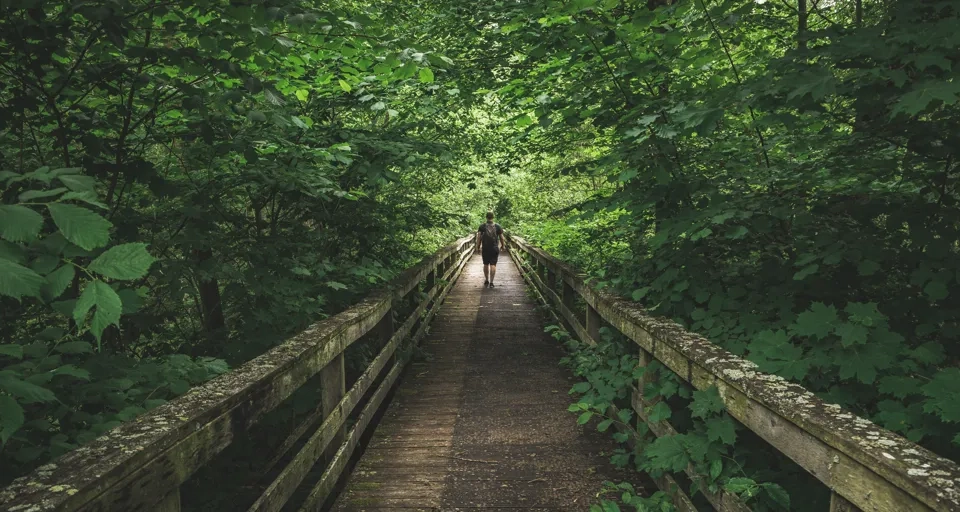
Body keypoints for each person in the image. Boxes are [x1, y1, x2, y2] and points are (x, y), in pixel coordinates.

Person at [476, 211, 507, 287]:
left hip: (485, 248)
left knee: (486, 264)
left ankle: (486, 280)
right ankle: (492, 282)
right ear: (493, 217)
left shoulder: (482, 226)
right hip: (494, 248)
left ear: (486, 217)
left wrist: (478, 246)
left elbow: (479, 237)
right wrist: (503, 246)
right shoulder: (497, 226)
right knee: (493, 264)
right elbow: (501, 238)